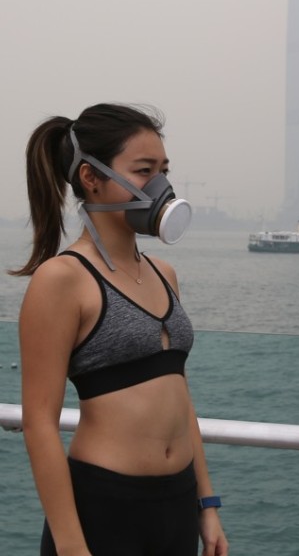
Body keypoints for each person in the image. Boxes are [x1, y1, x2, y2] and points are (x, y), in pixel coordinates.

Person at [11, 103, 228, 556]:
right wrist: (71, 545)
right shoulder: (63, 279)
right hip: (105, 506)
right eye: (144, 170)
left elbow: (180, 398)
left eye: (164, 169)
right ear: (92, 177)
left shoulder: (165, 274)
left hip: (177, 503)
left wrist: (206, 505)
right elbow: (39, 424)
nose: (161, 185)